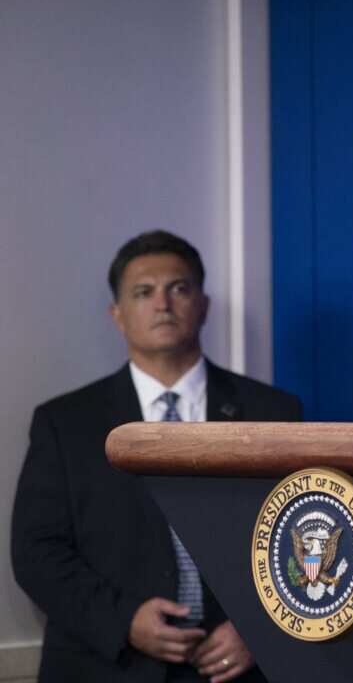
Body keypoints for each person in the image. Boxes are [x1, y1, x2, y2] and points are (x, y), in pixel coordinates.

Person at [11, 230, 301, 683]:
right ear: (118, 315)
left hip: (239, 669)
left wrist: (260, 629)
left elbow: (300, 534)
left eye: (179, 288)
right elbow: (36, 553)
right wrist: (123, 621)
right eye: (144, 293)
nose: (163, 303)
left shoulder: (274, 412)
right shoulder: (65, 422)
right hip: (106, 664)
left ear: (202, 305)